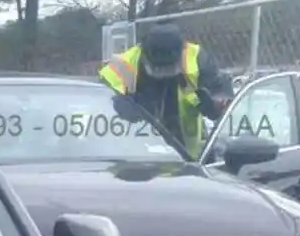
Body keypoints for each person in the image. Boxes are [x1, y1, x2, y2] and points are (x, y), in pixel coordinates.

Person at [98, 24, 234, 158]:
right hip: (133, 154)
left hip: (186, 155)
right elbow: (102, 103)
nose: (163, 74)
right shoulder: (124, 64)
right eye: (158, 69)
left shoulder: (196, 58)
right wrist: (123, 106)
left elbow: (220, 92)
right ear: (144, 54)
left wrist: (215, 103)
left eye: (169, 69)